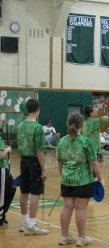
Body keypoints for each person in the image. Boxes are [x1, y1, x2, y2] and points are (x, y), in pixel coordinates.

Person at [57, 112, 102, 246]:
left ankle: (64, 237)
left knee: (67, 207)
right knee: (80, 209)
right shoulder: (85, 141)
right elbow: (94, 163)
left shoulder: (62, 141)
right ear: (81, 124)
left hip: (66, 180)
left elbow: (60, 163)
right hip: (83, 181)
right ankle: (81, 238)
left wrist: (64, 176)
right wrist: (100, 178)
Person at [17, 98, 48, 235]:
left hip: (23, 161)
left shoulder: (20, 126)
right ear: (38, 110)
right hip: (35, 162)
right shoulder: (37, 127)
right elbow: (39, 150)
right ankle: (32, 224)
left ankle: (24, 222)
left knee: (24, 191)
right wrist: (44, 169)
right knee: (35, 192)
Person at [0, 120, 13, 228]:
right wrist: (7, 150)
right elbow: (0, 155)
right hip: (1, 168)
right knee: (3, 194)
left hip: (5, 168)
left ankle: (3, 214)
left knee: (11, 187)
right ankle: (1, 216)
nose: (1, 122)